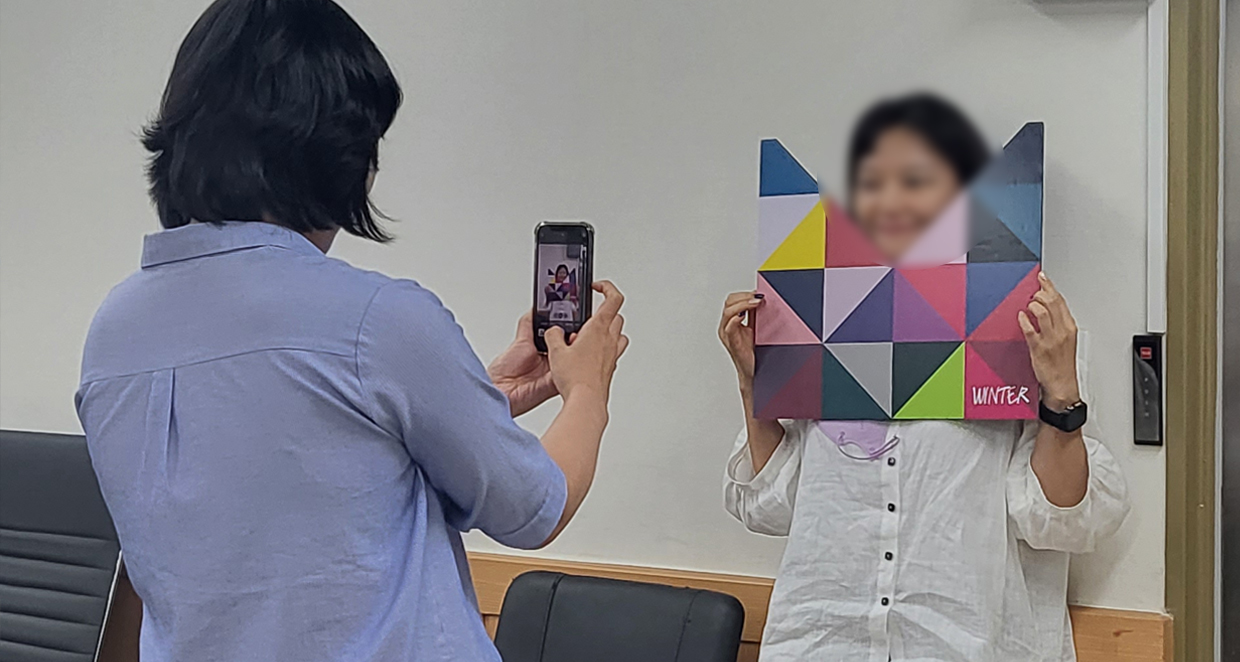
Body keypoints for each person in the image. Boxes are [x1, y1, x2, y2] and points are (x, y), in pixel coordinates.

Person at [75, 1, 627, 660]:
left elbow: (303, 471)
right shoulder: (378, 321)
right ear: (333, 152)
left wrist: (480, 398)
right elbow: (533, 508)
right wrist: (588, 390)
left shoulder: (113, 332)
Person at [717, 94, 1130, 661]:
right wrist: (753, 384)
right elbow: (772, 509)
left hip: (966, 644)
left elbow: (1063, 524)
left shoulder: (1027, 338)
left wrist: (1060, 394)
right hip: (822, 642)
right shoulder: (821, 322)